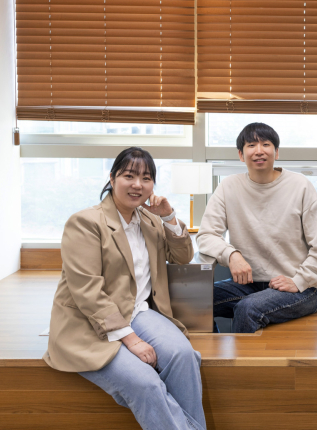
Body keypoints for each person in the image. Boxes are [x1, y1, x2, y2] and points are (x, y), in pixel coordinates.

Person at [43, 147, 206, 430]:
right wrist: (131, 340)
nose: (137, 185)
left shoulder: (150, 220)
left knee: (184, 356)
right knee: (146, 383)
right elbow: (88, 291)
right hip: (89, 324)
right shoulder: (85, 222)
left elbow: (182, 257)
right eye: (129, 176)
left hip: (138, 312)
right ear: (112, 178)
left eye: (146, 178)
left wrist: (168, 217)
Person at [197, 122, 317, 333]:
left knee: (247, 309)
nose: (259, 151)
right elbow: (206, 235)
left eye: (266, 144)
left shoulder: (300, 186)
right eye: (251, 145)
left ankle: (242, 357)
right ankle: (206, 353)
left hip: (304, 287)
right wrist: (231, 254)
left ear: (276, 152)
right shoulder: (228, 186)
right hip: (251, 284)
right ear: (241, 155)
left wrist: (299, 280)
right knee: (195, 301)